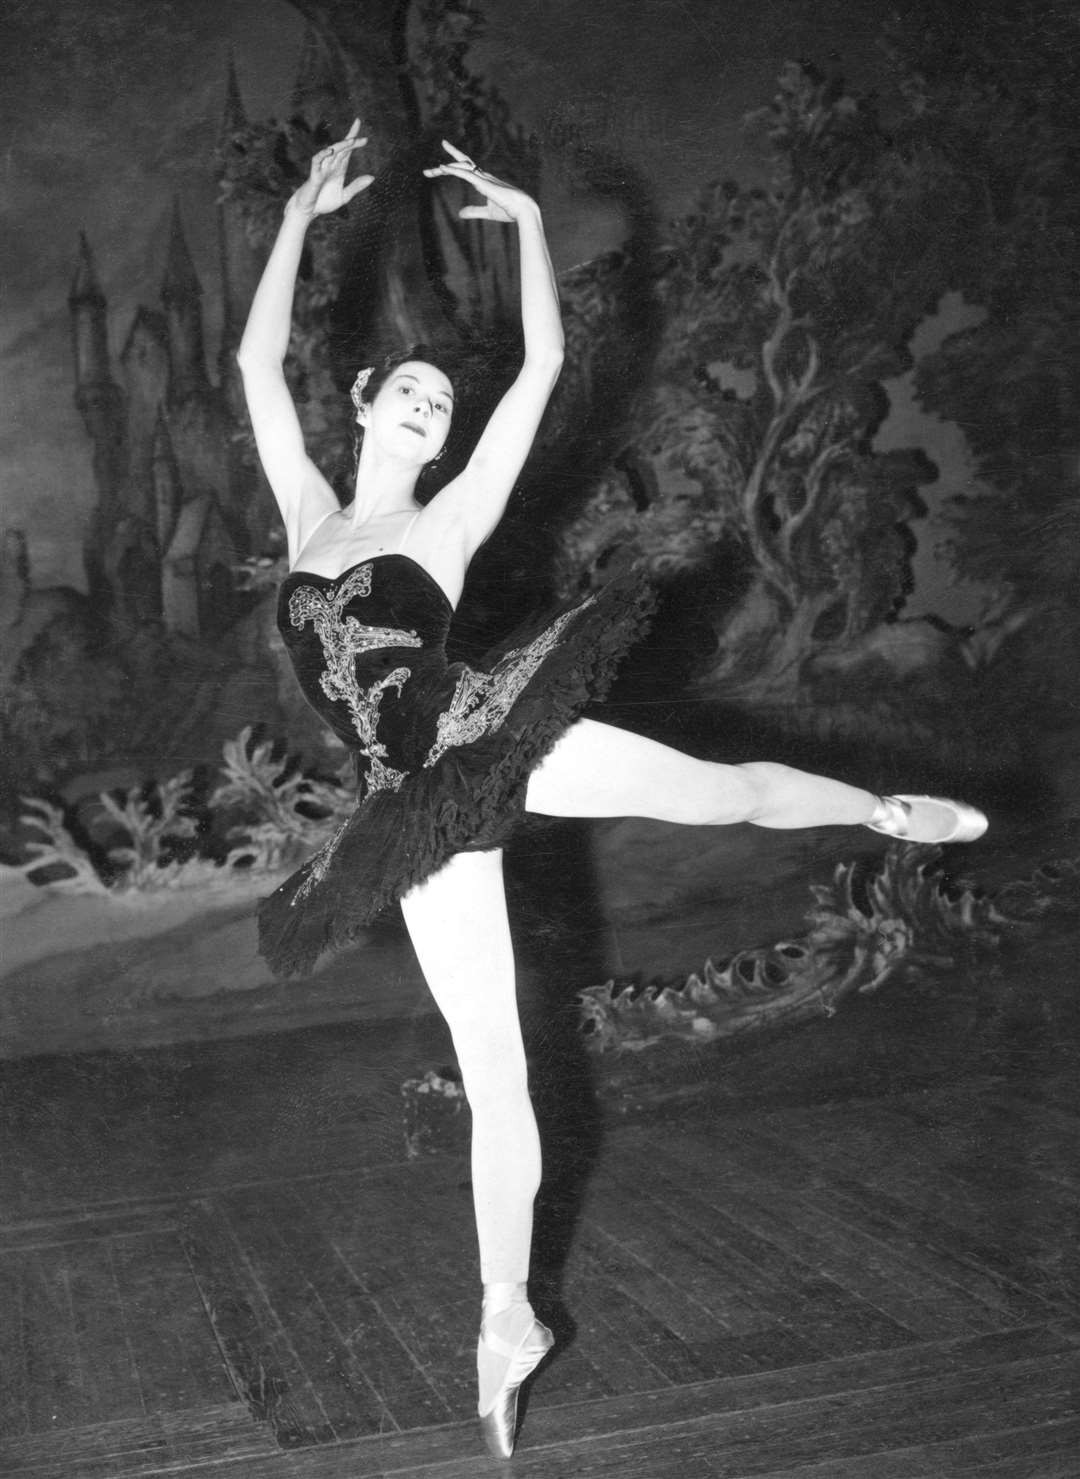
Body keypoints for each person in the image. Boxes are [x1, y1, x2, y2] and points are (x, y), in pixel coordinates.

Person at [237, 121, 987, 1458]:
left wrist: (524, 230)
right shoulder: (306, 519)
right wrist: (300, 214)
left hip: (486, 732)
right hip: (407, 814)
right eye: (404, 395)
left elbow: (538, 374)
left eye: (437, 406)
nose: (424, 410)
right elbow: (249, 361)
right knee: (496, 1073)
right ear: (358, 405)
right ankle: (505, 1315)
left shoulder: (446, 522)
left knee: (714, 793)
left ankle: (877, 809)